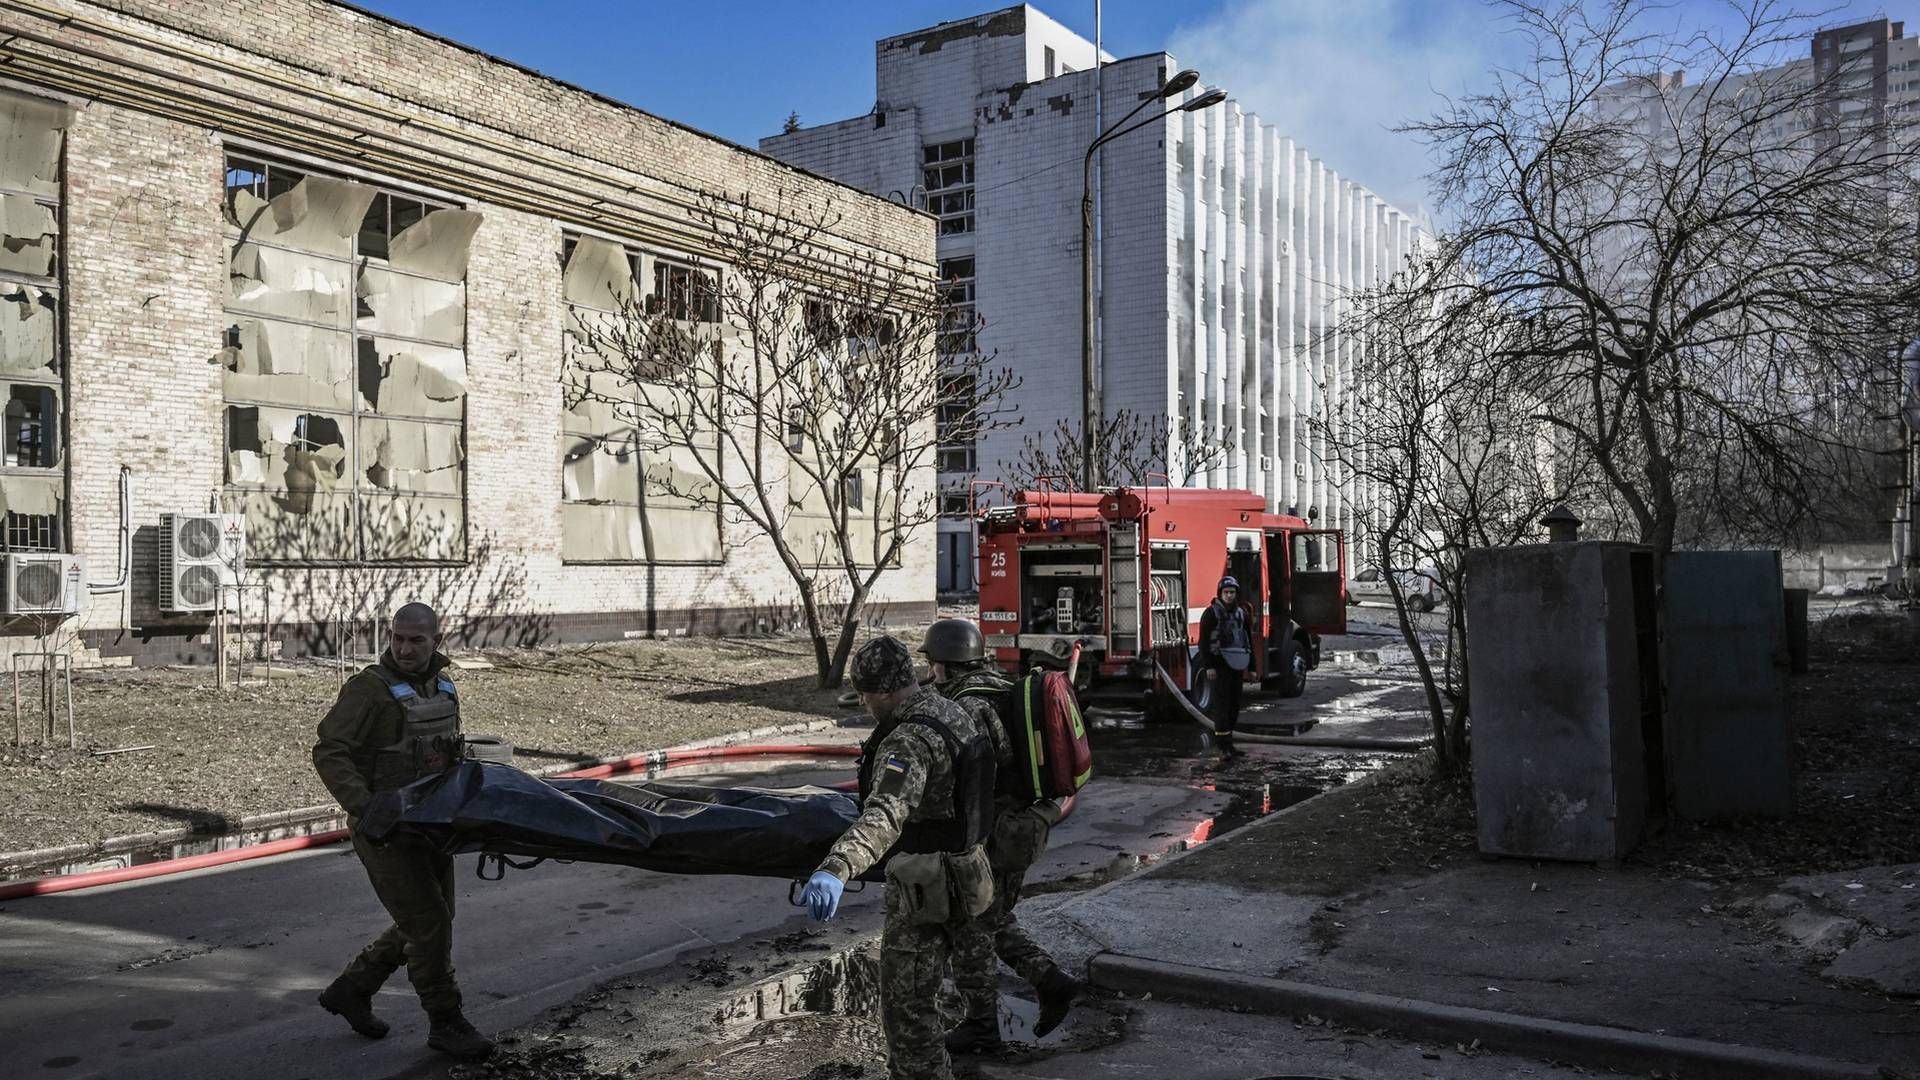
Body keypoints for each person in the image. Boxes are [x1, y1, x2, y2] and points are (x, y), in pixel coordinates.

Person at [796, 636, 997, 1080]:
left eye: (867, 696)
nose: (866, 705)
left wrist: (837, 866)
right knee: (951, 983)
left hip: (927, 890)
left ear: (886, 691)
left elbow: (886, 813)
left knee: (909, 1011)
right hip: (970, 873)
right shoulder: (953, 710)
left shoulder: (908, 741)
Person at [311, 602, 493, 1062]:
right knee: (429, 923)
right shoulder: (369, 691)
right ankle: (446, 1021)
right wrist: (364, 805)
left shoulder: (444, 685)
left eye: (416, 640)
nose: (404, 648)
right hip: (387, 831)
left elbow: (448, 752)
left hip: (433, 825)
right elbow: (330, 749)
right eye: (397, 638)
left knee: (435, 916)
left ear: (436, 640)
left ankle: (353, 987)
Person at [917, 619, 1082, 1053]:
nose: (930, 671)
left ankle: (982, 1028)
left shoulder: (966, 706)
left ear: (943, 664)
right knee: (990, 919)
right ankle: (1051, 981)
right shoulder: (999, 685)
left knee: (970, 931)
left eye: (932, 663)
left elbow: (973, 777)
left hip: (991, 834)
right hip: (1019, 829)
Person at [1195, 576, 1253, 757]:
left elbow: (1247, 640)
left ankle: (1230, 745)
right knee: (1222, 706)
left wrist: (1252, 666)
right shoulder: (1211, 613)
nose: (1229, 596)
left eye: (1232, 592)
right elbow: (1203, 643)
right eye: (1226, 592)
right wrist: (1209, 666)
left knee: (1234, 707)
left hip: (1236, 665)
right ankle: (1222, 747)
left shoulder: (1242, 614)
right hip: (1219, 666)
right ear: (1220, 594)